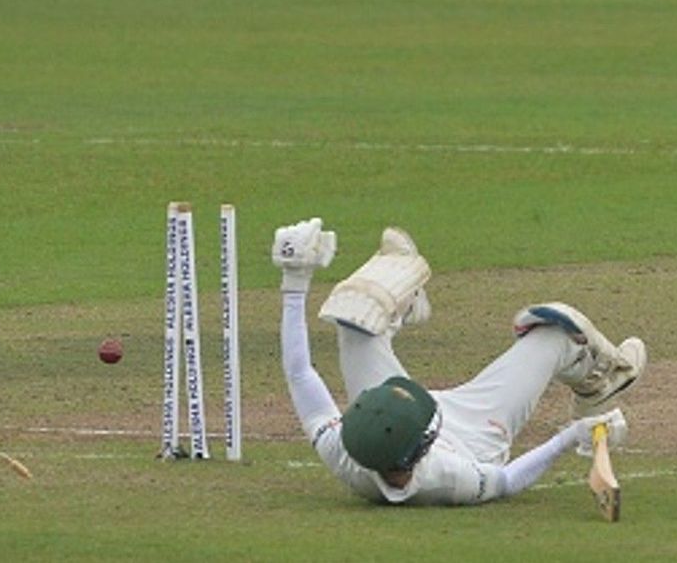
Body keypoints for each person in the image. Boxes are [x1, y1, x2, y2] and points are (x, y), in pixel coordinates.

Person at [271, 217, 648, 506]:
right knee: (558, 329)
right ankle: (603, 377)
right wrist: (572, 435)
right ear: (422, 445)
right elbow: (508, 480)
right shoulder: (449, 478)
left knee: (354, 315)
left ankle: (404, 306)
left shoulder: (347, 448)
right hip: (476, 433)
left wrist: (294, 277)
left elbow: (301, 374)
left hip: (392, 416)